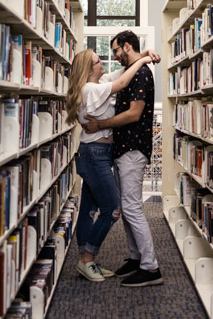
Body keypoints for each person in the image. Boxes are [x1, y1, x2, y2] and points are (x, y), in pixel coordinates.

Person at [82, 30, 163, 287]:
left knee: (131, 208)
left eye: (116, 51)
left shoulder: (141, 74)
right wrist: (145, 55)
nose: (114, 56)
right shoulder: (131, 73)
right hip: (121, 150)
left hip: (132, 150)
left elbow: (133, 114)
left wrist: (101, 124)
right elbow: (116, 83)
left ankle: (150, 268)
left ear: (127, 47)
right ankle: (135, 257)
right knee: (126, 209)